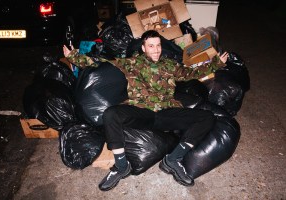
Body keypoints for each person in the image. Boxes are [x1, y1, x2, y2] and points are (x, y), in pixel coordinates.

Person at [63, 30, 227, 191]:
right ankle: (121, 166)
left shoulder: (170, 65)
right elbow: (100, 63)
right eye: (151, 46)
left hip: (166, 112)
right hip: (142, 112)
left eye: (158, 46)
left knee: (207, 117)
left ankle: (173, 159)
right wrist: (73, 57)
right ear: (143, 48)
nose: (156, 50)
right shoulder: (132, 63)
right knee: (111, 114)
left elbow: (192, 73)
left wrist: (216, 63)